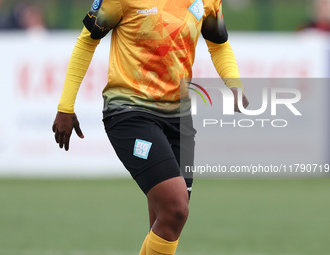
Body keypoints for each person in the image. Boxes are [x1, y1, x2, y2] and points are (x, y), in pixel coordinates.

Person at [52, 0, 249, 254]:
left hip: (179, 117)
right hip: (129, 112)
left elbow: (218, 44)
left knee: (167, 220)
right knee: (176, 208)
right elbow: (86, 41)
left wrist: (235, 85)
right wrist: (65, 106)